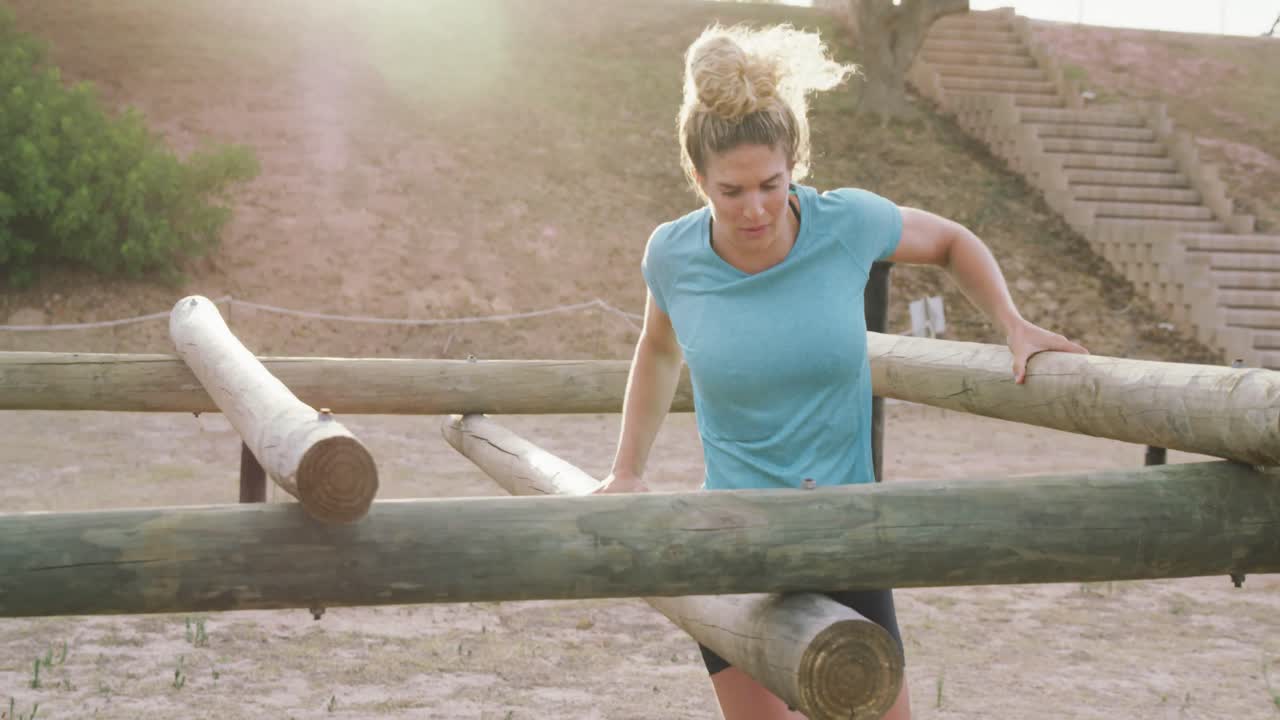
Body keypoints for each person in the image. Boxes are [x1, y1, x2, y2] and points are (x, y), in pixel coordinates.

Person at [597, 22, 1089, 720]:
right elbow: (656, 349)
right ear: (698, 178)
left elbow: (952, 240)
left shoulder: (845, 223)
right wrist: (627, 470)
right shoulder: (672, 255)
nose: (756, 208)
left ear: (794, 162)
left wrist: (1011, 324)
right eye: (730, 191)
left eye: (771, 183)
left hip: (849, 531)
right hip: (735, 537)